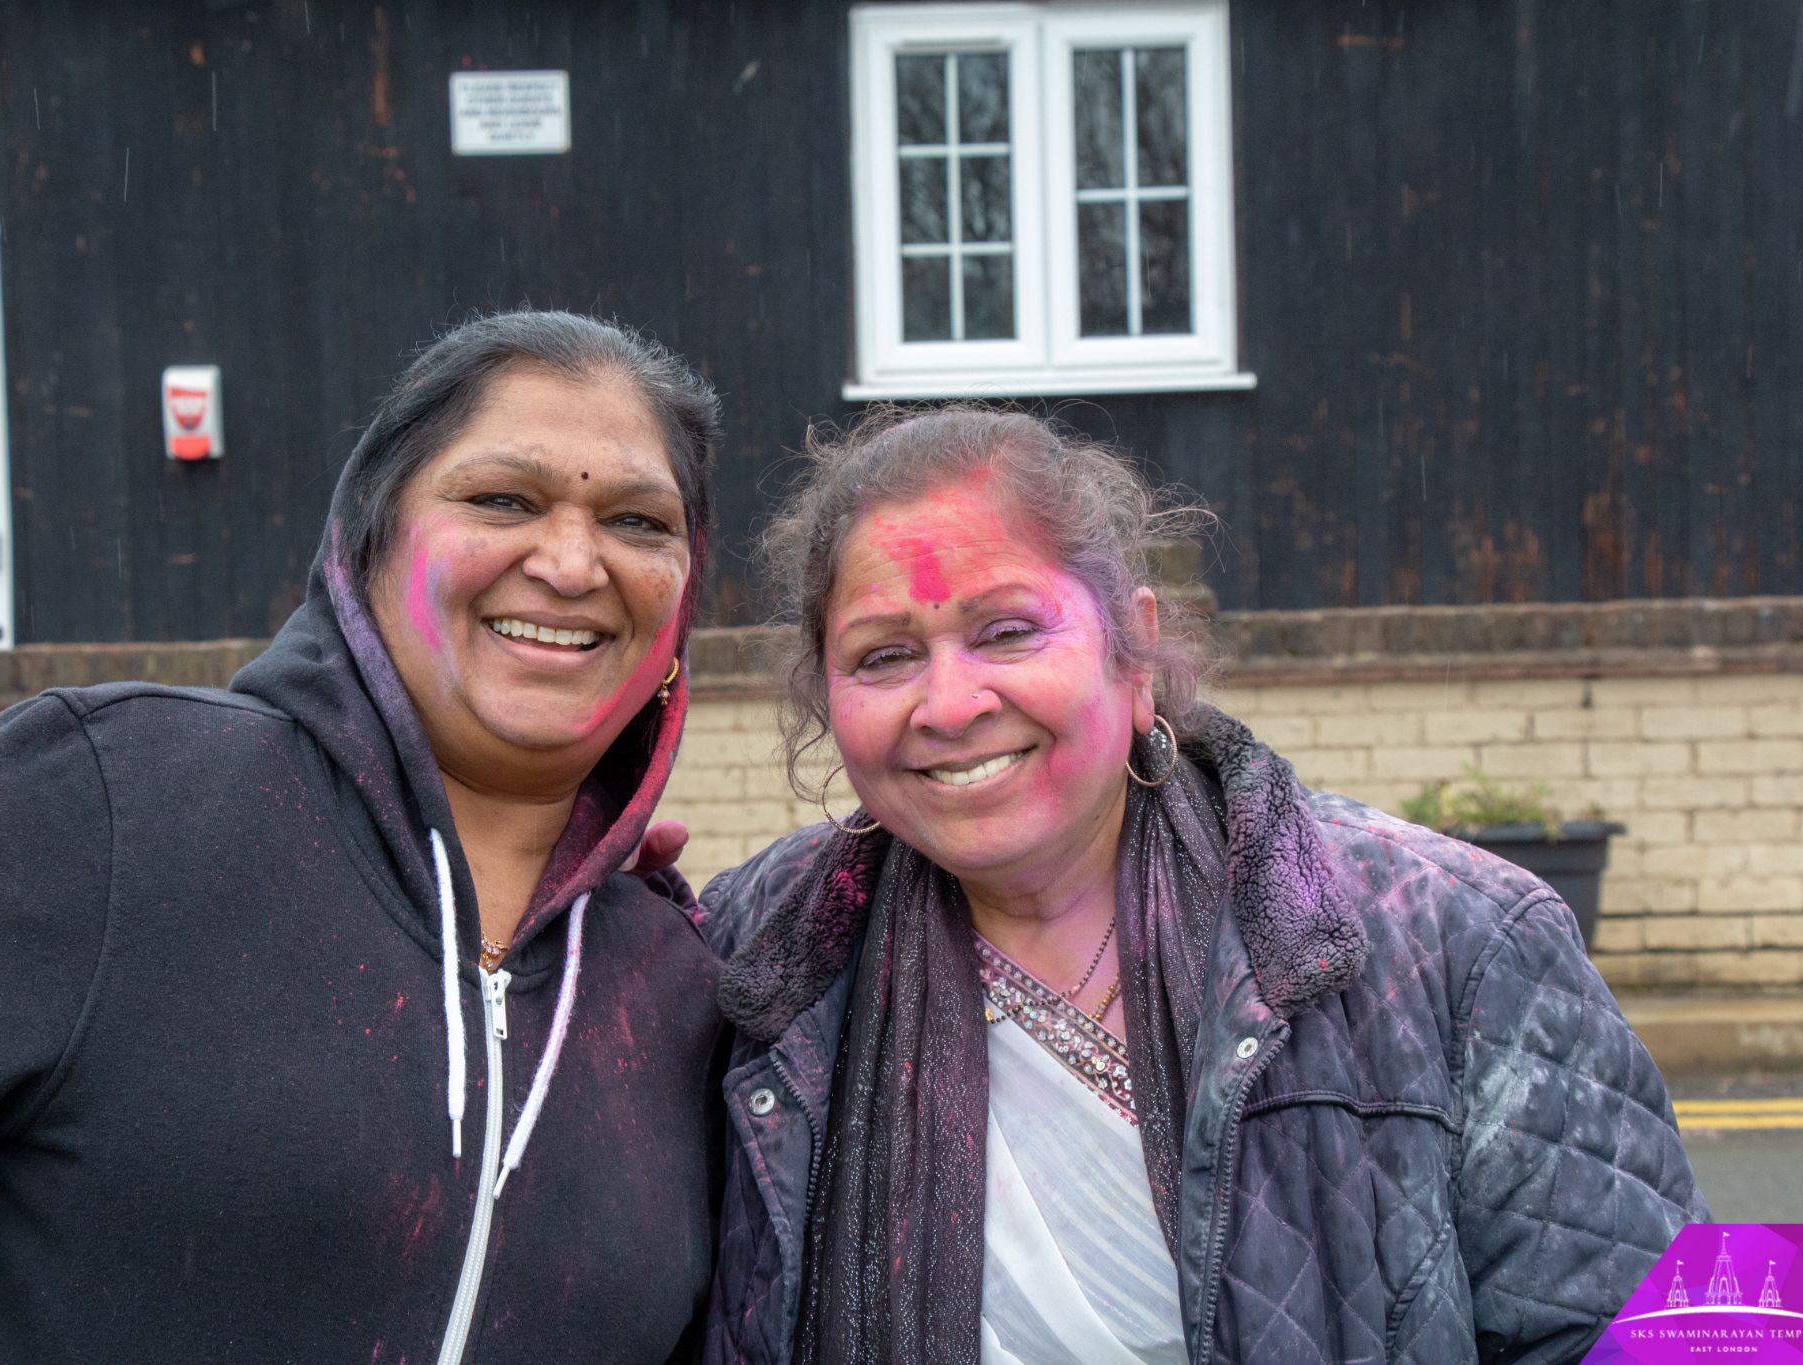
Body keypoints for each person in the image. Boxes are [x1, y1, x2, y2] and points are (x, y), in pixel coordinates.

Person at [0, 310, 728, 1363]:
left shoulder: (678, 984)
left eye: (639, 523)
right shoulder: (99, 806)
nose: (570, 561)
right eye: (501, 498)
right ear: (364, 542)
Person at [699, 407, 1706, 1365]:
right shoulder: (756, 952)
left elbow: (1728, 1329)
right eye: (883, 656)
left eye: (1007, 632)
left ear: (1129, 649)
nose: (951, 705)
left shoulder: (1462, 932)